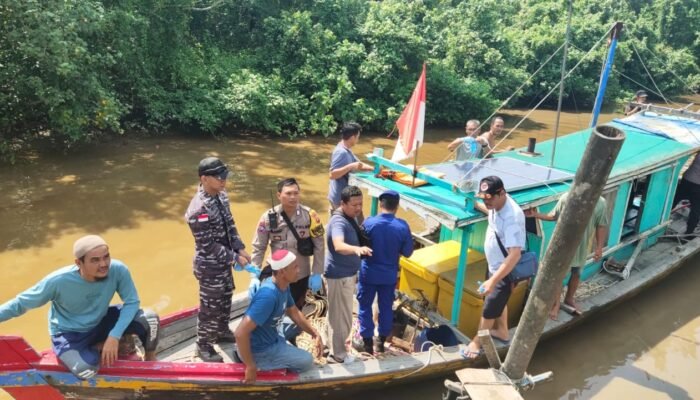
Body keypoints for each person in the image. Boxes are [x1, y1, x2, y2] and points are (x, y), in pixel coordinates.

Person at [0, 235, 159, 380]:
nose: (103, 264)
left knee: (150, 318)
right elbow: (20, 304)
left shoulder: (118, 269)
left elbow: (132, 302)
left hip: (101, 320)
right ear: (78, 262)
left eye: (106, 257)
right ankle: (99, 346)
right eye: (95, 260)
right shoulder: (57, 281)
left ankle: (151, 361)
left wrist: (114, 336)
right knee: (86, 370)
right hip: (70, 333)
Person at [185, 156, 251, 362]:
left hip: (225, 262)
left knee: (225, 299)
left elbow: (230, 224)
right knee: (210, 307)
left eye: (224, 176)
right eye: (218, 177)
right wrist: (234, 257)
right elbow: (208, 246)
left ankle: (222, 331)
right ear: (204, 179)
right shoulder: (198, 210)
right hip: (209, 265)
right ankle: (203, 346)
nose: (223, 180)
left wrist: (240, 247)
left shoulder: (222, 196)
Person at [235, 250, 323, 384]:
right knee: (307, 361)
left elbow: (293, 312)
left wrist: (314, 333)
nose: (299, 270)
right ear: (282, 272)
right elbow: (240, 333)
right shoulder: (268, 296)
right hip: (260, 350)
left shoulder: (283, 285)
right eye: (295, 267)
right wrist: (250, 366)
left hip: (271, 334)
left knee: (295, 324)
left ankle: (283, 347)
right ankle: (267, 359)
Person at [464, 176, 525, 358]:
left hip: (504, 271)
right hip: (494, 265)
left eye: (489, 198)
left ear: (502, 193)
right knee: (497, 302)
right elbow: (490, 213)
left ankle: (477, 342)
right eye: (484, 198)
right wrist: (476, 204)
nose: (486, 201)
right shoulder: (494, 206)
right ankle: (502, 331)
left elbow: (515, 254)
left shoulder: (512, 218)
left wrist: (493, 280)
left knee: (489, 308)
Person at [526, 193, 608, 319]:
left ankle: (569, 299)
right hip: (563, 247)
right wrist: (535, 215)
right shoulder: (567, 198)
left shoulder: (600, 202)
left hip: (581, 248)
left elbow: (601, 225)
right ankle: (556, 305)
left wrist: (599, 247)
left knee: (577, 274)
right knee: (558, 277)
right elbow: (553, 216)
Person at [250, 178, 325, 309]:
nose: (293, 197)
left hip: (300, 274)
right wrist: (254, 275)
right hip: (277, 274)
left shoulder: (310, 216)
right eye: (288, 193)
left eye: (296, 193)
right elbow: (259, 247)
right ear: (279, 195)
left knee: (297, 311)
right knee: (272, 310)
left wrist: (317, 272)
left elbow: (319, 245)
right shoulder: (267, 217)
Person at [357, 190, 413, 354]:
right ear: (397, 207)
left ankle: (367, 345)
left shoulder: (368, 223)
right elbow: (408, 252)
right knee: (386, 307)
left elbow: (360, 248)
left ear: (381, 204)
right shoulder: (402, 226)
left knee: (365, 306)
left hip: (369, 273)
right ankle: (381, 342)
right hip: (389, 275)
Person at [324, 185, 372, 363]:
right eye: (354, 205)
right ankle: (339, 356)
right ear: (342, 204)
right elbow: (338, 245)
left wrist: (358, 213)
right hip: (339, 276)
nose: (359, 208)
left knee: (336, 315)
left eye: (361, 204)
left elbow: (360, 219)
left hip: (347, 273)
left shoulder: (350, 216)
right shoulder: (338, 222)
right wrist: (357, 249)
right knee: (341, 318)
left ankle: (331, 348)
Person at [328, 122, 373, 215]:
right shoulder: (341, 152)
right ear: (353, 137)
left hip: (343, 196)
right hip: (339, 199)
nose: (358, 140)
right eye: (358, 137)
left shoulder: (346, 149)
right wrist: (350, 166)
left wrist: (374, 169)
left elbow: (359, 165)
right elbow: (332, 175)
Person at [673, 154, 700, 242]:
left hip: (687, 179)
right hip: (697, 185)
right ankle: (689, 233)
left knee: (674, 200)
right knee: (696, 209)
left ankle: (659, 220)